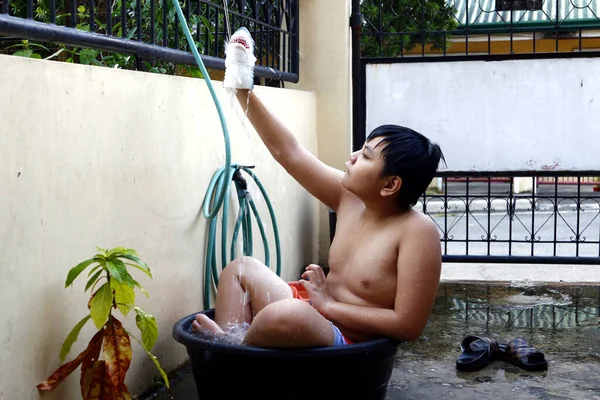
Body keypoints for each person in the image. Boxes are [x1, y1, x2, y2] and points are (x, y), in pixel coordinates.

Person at [191, 34, 446, 349]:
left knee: (282, 316)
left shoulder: (418, 233)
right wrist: (243, 88)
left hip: (348, 339)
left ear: (390, 185)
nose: (353, 156)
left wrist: (328, 306)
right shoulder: (350, 197)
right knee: (240, 270)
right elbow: (290, 153)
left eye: (366, 156)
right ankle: (235, 352)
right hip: (314, 309)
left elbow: (407, 325)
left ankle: (226, 349)